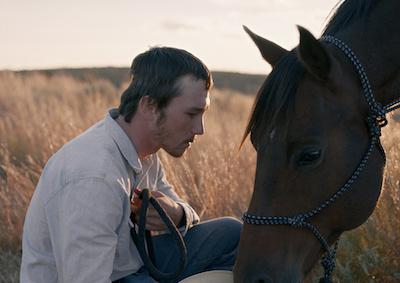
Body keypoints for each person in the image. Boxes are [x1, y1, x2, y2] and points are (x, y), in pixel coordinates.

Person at [20, 47, 242, 283]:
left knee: (233, 234)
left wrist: (176, 215)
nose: (200, 129)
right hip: (103, 276)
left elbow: (188, 216)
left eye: (203, 113)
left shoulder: (144, 151)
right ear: (150, 106)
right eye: (191, 114)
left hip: (130, 262)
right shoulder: (94, 178)